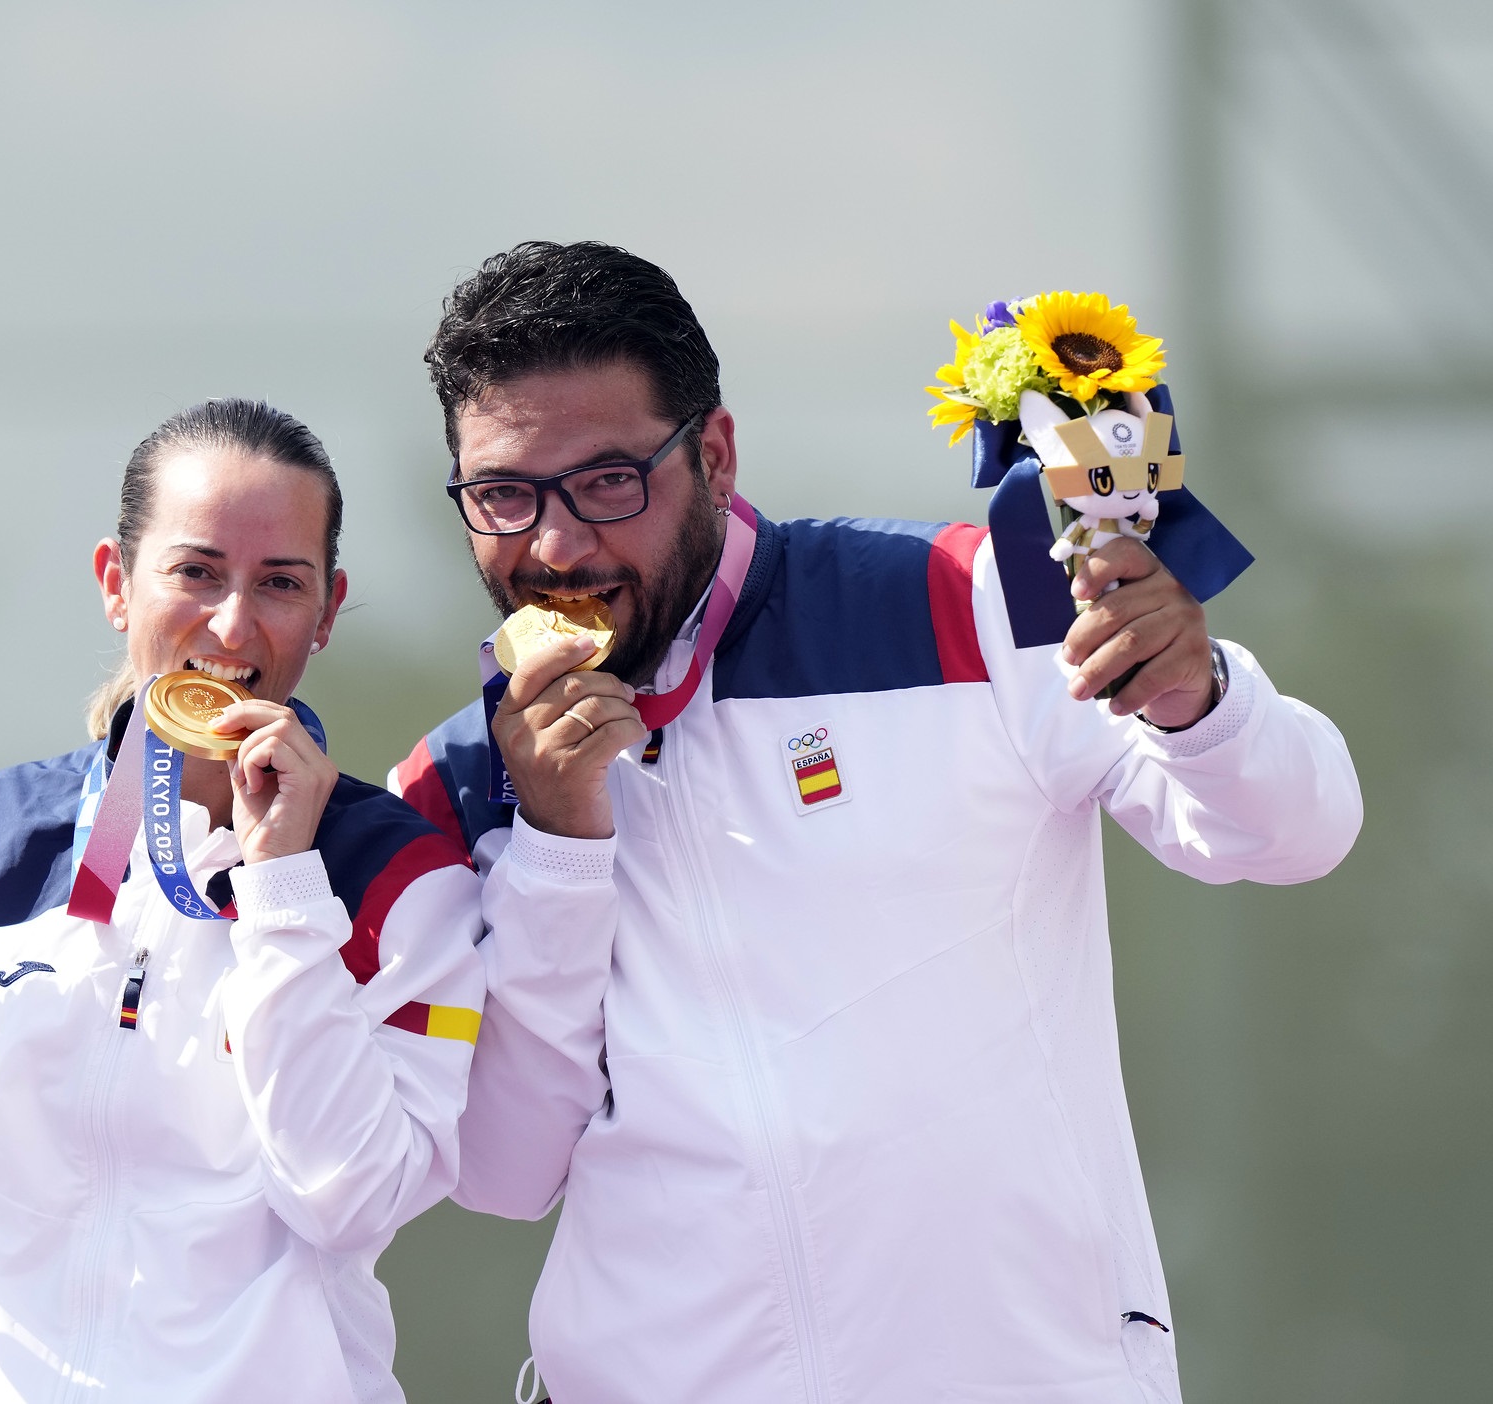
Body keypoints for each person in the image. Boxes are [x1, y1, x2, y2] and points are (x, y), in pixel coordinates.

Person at [388, 243, 1362, 1403]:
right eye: (503, 496)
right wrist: (557, 847)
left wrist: (1198, 701)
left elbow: (1295, 829)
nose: (555, 546)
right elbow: (503, 1171)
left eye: (606, 482)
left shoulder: (959, 602)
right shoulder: (456, 784)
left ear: (712, 454)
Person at [0, 399, 484, 1402]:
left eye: (280, 583)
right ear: (117, 583)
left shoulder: (403, 879)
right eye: (195, 572)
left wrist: (283, 889)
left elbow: (349, 1199)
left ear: (326, 612)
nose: (232, 624)